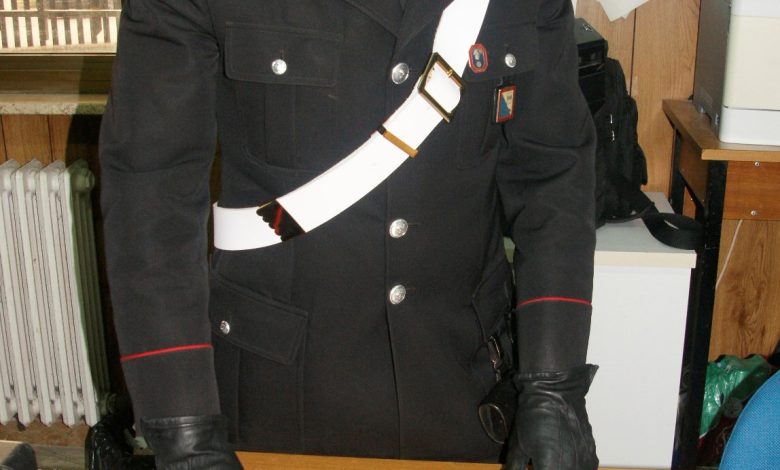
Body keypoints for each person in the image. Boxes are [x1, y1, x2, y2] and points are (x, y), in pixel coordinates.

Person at [99, 0, 599, 469]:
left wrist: (554, 383)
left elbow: (553, 174)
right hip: (280, 398)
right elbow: (151, 197)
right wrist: (184, 431)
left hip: (463, 389)